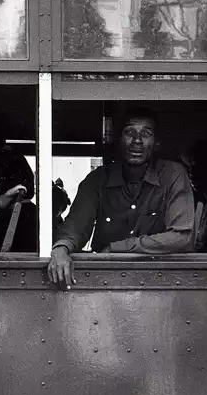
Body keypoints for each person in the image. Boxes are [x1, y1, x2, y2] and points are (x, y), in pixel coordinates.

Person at [48, 109, 195, 288]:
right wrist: (61, 249)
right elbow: (75, 228)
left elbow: (182, 237)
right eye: (129, 132)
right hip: (105, 281)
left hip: (159, 281)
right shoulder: (97, 180)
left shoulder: (173, 175)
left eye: (146, 134)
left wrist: (116, 248)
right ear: (118, 139)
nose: (137, 141)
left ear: (156, 143)